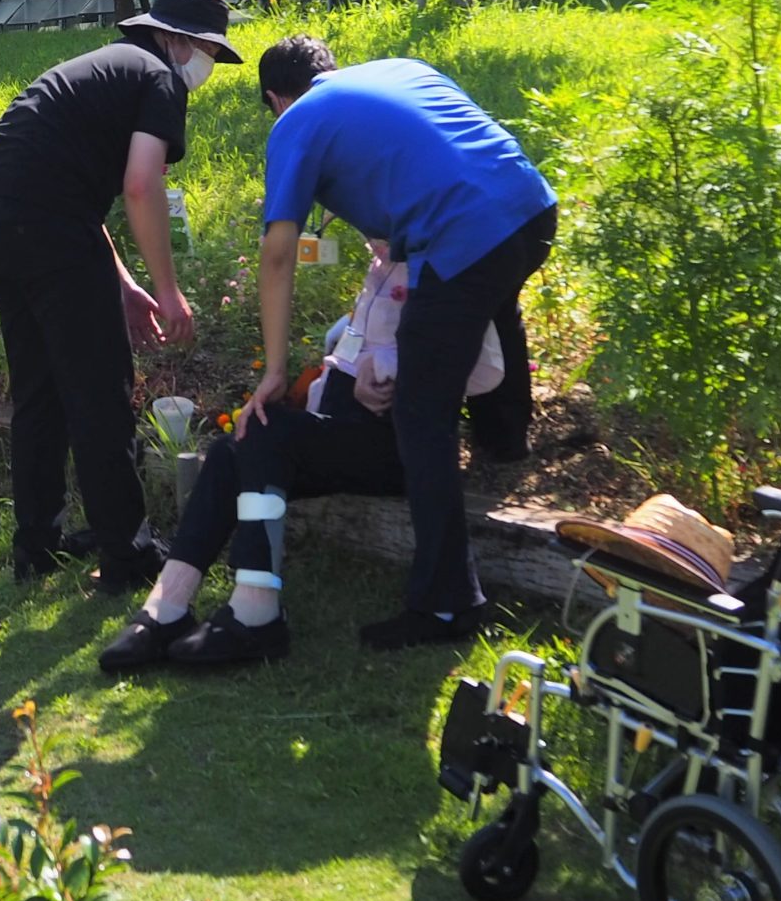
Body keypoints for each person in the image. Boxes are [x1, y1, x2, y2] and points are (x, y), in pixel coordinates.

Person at [240, 34, 558, 650]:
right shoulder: (397, 70)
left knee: (421, 410)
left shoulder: (295, 122)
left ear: (276, 99)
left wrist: (276, 369)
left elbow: (278, 253)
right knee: (496, 307)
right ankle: (505, 443)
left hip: (464, 232)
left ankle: (447, 604)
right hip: (531, 207)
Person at [102, 231, 506, 672]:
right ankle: (168, 606)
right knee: (230, 449)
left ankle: (257, 613)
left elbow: (485, 367)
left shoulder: (443, 263)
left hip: (397, 443)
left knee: (266, 430)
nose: (370, 237)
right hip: (342, 429)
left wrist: (394, 373)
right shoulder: (383, 267)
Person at [0, 0, 233, 589]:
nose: (207, 65)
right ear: (176, 40)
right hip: (45, 222)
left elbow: (77, 199)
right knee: (100, 391)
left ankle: (39, 544)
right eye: (208, 50)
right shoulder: (158, 77)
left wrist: (126, 286)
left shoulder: (108, 68)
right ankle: (128, 554)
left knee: (39, 390)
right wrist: (168, 290)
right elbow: (141, 187)